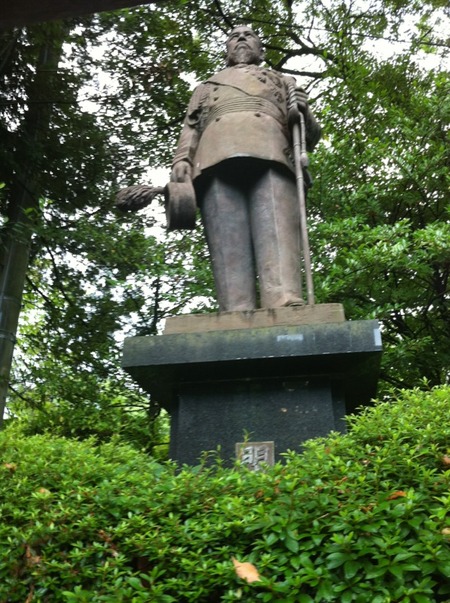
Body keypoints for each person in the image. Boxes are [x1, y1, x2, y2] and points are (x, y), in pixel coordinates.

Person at [170, 25, 321, 311]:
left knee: (276, 226)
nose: (240, 38)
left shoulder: (282, 81)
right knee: (228, 236)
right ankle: (235, 308)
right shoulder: (206, 87)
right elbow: (190, 129)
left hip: (273, 152)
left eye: (249, 35)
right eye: (233, 36)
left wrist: (306, 112)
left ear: (261, 51)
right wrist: (181, 160)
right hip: (214, 156)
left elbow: (308, 136)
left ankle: (284, 299)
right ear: (226, 50)